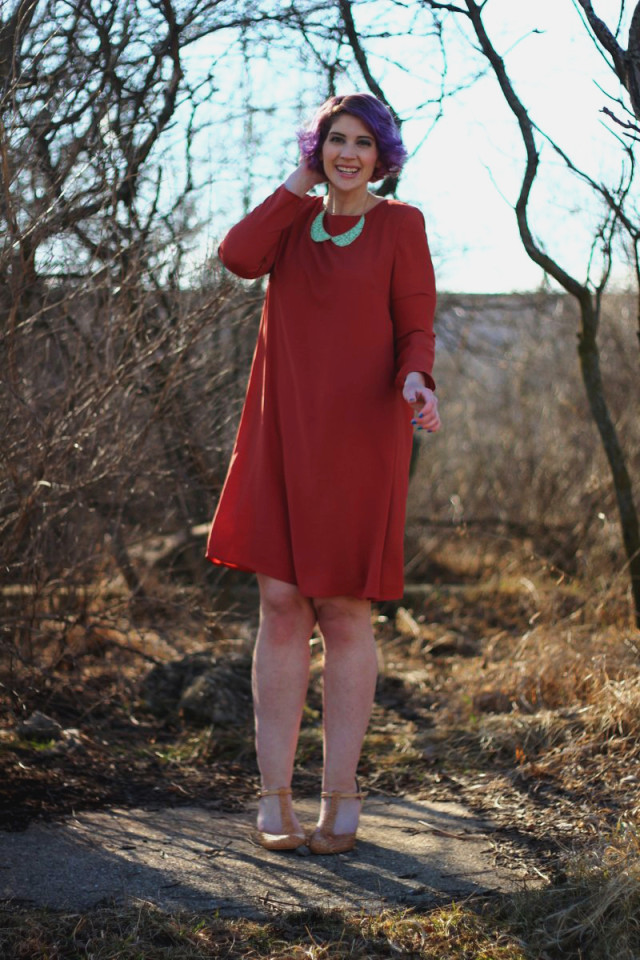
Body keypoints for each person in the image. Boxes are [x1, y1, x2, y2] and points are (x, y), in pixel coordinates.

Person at [206, 93, 440, 854]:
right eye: (334, 141)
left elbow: (416, 321)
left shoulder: (401, 225)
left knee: (341, 607)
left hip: (359, 435)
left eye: (362, 144)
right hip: (280, 429)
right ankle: (274, 797)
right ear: (317, 148)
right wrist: (294, 183)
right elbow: (237, 257)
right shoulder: (288, 226)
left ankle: (342, 794)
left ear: (383, 155)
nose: (347, 154)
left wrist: (417, 380)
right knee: (279, 603)